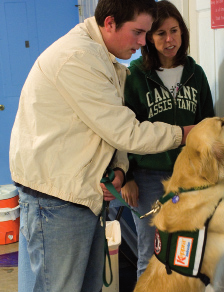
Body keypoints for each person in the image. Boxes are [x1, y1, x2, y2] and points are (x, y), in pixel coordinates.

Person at [9, 1, 195, 291]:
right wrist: (184, 134)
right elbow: (125, 132)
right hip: (57, 202)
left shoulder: (101, 58)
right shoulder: (78, 58)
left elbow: (108, 126)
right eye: (137, 32)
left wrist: (118, 168)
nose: (143, 42)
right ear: (110, 23)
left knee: (87, 285)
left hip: (82, 197)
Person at [121, 0, 215, 279]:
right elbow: (124, 130)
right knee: (150, 253)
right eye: (160, 33)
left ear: (183, 33)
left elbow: (208, 124)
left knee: (187, 250)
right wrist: (126, 175)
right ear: (149, 37)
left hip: (188, 176)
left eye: (174, 31)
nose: (169, 39)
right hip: (148, 178)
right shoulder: (135, 76)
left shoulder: (196, 74)